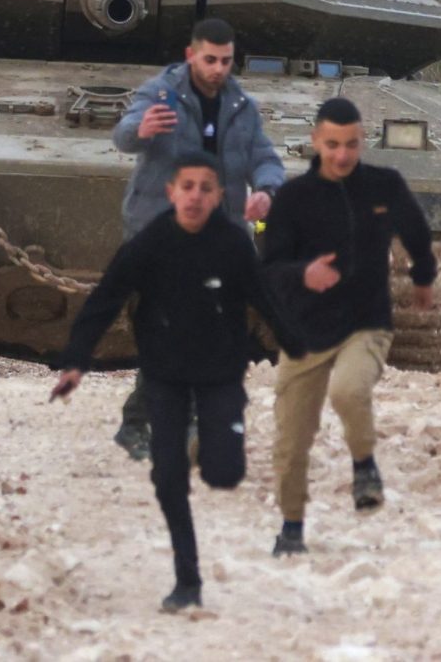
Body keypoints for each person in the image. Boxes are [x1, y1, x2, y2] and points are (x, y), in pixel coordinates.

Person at [52, 154, 300, 612]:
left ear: (219, 196)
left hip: (220, 372)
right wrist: (75, 361)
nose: (195, 197)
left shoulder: (232, 243)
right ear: (171, 192)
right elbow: (106, 300)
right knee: (168, 479)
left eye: (206, 188)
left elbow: (267, 301)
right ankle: (188, 582)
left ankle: (206, 445)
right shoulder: (152, 242)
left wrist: (301, 352)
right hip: (164, 374)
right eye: (187, 187)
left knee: (224, 471)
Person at [261, 97, 437, 556]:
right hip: (305, 329)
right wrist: (304, 274)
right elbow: (268, 267)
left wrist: (423, 276)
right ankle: (292, 527)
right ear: (316, 141)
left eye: (352, 145)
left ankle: (364, 466)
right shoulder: (293, 199)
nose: (342, 155)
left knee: (349, 390)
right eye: (333, 144)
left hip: (365, 322)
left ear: (363, 142)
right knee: (291, 439)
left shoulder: (383, 185)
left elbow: (417, 231)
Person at [110, 18, 285, 458]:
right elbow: (123, 133)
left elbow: (263, 156)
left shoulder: (240, 106)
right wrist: (142, 129)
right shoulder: (161, 93)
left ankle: (143, 422)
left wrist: (266, 190)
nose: (218, 69)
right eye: (210, 60)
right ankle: (180, 426)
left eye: (226, 61)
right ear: (192, 55)